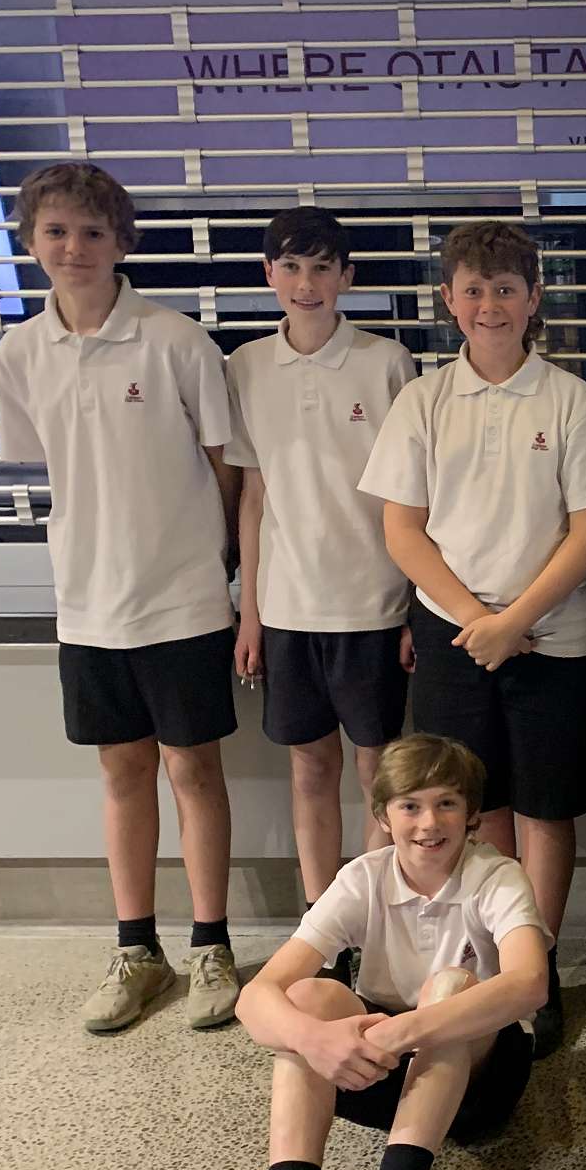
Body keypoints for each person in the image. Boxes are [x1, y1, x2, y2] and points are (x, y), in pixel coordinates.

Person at [359, 219, 586, 1059]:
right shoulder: (424, 401)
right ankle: (491, 965)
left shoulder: (568, 399)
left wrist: (514, 621)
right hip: (454, 641)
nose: (490, 305)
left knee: (546, 807)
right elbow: (403, 530)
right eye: (473, 290)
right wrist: (477, 622)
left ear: (534, 297)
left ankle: (536, 970)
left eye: (506, 289)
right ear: (449, 299)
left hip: (554, 638)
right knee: (477, 807)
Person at [0, 160, 243, 1034]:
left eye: (92, 232)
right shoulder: (20, 353)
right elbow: (54, 464)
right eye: (56, 232)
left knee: (193, 771)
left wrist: (225, 569)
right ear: (31, 243)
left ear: (122, 243)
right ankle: (139, 950)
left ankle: (211, 945)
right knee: (121, 770)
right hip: (88, 602)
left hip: (182, 598)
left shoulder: (175, 341)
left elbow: (224, 465)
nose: (74, 248)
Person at [230, 734, 547, 1170]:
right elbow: (255, 998)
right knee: (307, 999)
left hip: (480, 1080)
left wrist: (406, 1030)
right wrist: (315, 1039)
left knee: (450, 990)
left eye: (447, 803)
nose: (429, 822)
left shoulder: (496, 876)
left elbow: (529, 984)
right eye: (410, 805)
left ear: (472, 815)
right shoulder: (363, 878)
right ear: (382, 815)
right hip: (379, 1068)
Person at [228, 207, 418, 942]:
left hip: (373, 603)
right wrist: (249, 613)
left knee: (379, 773)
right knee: (309, 766)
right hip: (286, 608)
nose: (306, 283)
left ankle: (368, 916)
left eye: (321, 267)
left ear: (347, 275)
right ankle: (320, 920)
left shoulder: (386, 361)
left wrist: (413, 607)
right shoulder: (245, 366)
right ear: (268, 274)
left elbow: (413, 497)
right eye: (291, 266)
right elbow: (252, 495)